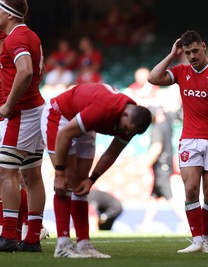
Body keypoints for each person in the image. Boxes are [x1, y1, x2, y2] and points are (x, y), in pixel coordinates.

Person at [148, 30, 208, 253]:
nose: (191, 56)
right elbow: (153, 78)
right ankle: (197, 239)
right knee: (190, 188)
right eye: (187, 52)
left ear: (203, 47)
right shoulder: (181, 72)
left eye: (194, 50)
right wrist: (172, 55)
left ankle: (205, 238)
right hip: (189, 140)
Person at [40, 83, 151, 258]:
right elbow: (65, 134)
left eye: (130, 132)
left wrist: (92, 180)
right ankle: (62, 246)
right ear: (125, 113)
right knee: (67, 182)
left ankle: (84, 245)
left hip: (86, 123)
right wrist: (59, 173)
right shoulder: (104, 108)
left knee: (81, 186)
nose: (125, 132)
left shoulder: (132, 122)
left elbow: (112, 153)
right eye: (126, 128)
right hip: (60, 116)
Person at [0, 0, 47, 253]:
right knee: (31, 175)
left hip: (21, 114)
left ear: (7, 15)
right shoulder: (31, 35)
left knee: (6, 173)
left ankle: (7, 235)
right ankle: (32, 238)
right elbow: (41, 68)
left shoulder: (13, 39)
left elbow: (26, 70)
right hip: (35, 110)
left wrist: (9, 103)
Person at [138, 106, 186, 231]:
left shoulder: (157, 128)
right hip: (167, 164)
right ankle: (146, 224)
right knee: (154, 196)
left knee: (169, 196)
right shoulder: (167, 125)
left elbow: (156, 148)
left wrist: (145, 164)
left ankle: (188, 222)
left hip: (161, 166)